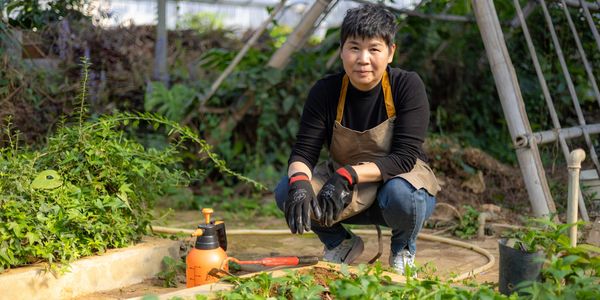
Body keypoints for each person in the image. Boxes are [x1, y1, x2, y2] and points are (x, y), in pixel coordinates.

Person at [274, 3, 441, 275]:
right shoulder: (326, 91)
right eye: (354, 47)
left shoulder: (406, 86)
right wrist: (300, 182)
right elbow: (303, 153)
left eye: (374, 49)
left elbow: (404, 157)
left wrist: (348, 174)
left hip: (396, 185)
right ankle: (340, 243)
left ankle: (403, 248)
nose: (363, 59)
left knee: (402, 195)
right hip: (343, 191)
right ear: (341, 51)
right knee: (287, 189)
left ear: (390, 53)